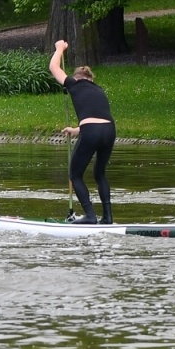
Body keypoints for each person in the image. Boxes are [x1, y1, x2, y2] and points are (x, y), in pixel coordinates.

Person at [48, 39, 115, 224]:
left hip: (92, 131)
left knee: (75, 175)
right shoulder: (98, 89)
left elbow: (54, 67)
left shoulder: (75, 84)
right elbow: (97, 118)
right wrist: (77, 130)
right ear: (91, 80)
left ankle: (90, 216)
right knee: (99, 173)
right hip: (109, 130)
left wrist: (60, 48)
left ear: (76, 78)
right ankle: (108, 217)